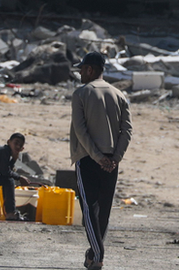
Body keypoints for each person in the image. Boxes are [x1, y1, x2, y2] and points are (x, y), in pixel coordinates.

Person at [71, 51, 133, 270]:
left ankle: (98, 255)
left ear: (90, 69)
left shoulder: (81, 94)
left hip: (88, 158)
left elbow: (80, 131)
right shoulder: (119, 94)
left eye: (81, 70)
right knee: (104, 210)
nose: (80, 73)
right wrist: (115, 158)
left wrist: (97, 157)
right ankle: (93, 252)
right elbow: (127, 131)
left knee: (89, 209)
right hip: (112, 161)